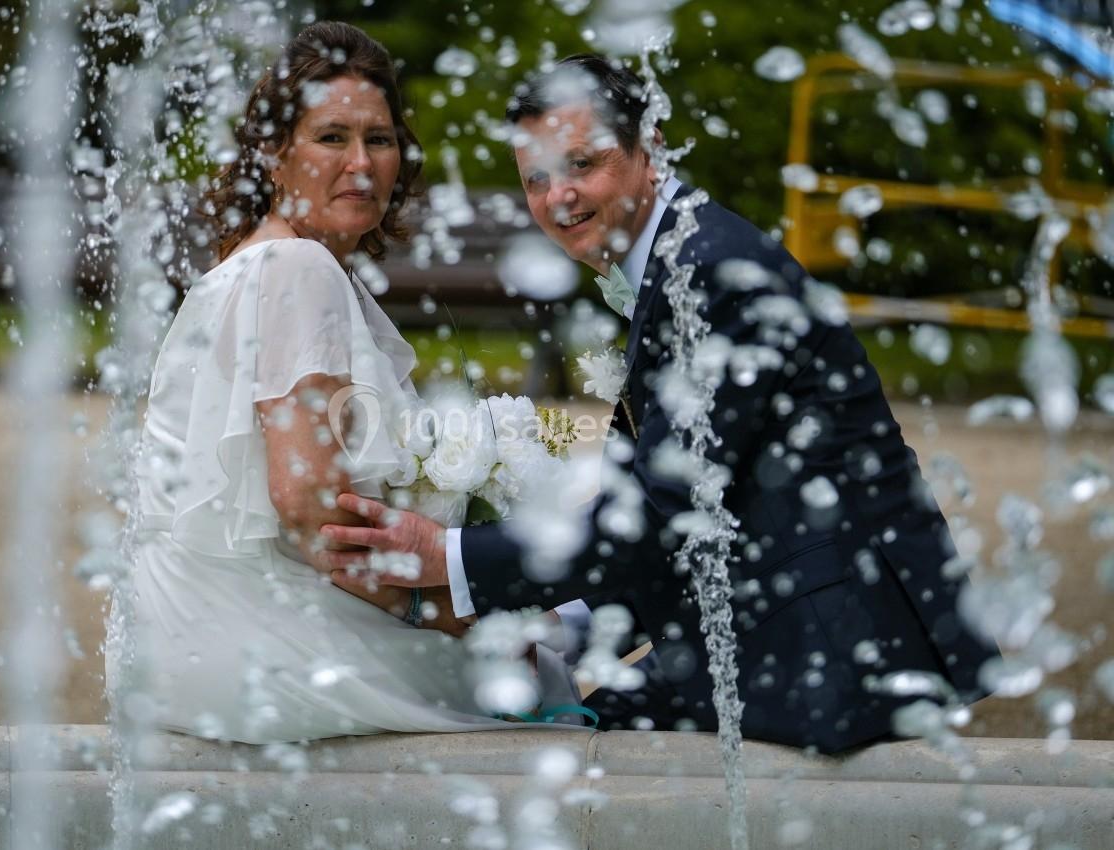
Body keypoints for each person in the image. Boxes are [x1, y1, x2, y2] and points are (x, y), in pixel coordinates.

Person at [318, 55, 1001, 754]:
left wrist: (449, 557)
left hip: (836, 646)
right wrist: (565, 626)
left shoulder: (708, 274)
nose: (559, 197)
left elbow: (657, 513)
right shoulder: (683, 256)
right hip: (790, 616)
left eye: (581, 163)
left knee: (558, 743)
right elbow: (675, 513)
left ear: (650, 150)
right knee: (550, 720)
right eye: (537, 179)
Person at [119, 22, 581, 745]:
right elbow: (311, 511)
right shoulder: (296, 271)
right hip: (264, 645)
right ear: (274, 155)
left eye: (380, 139)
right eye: (332, 138)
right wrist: (454, 615)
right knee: (549, 680)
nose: (362, 163)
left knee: (554, 647)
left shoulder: (261, 261)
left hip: (188, 638)